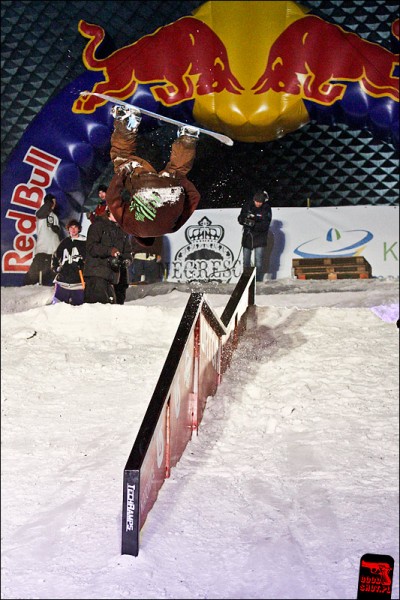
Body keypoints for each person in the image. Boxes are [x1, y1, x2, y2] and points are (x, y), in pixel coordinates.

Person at [105, 105, 201, 248]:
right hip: (146, 191)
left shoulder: (171, 229)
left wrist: (181, 180)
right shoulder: (130, 228)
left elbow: (194, 198)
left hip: (172, 192)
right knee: (121, 158)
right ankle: (127, 121)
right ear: (137, 237)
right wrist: (121, 174)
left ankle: (188, 139)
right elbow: (113, 200)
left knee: (177, 170)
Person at [83, 207, 132, 304]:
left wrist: (127, 260)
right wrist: (110, 251)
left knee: (112, 308)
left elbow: (127, 251)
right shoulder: (98, 226)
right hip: (96, 274)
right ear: (109, 212)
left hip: (114, 277)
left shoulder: (122, 231)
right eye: (116, 212)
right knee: (98, 309)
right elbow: (91, 247)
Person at [24, 193, 62, 285]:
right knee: (33, 275)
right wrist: (49, 202)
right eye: (53, 202)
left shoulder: (55, 216)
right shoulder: (42, 213)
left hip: (54, 250)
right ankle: (25, 293)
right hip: (43, 249)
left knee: (55, 276)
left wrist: (57, 229)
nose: (54, 204)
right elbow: (40, 214)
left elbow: (57, 231)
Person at [238, 190, 272, 282]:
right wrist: (245, 221)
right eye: (256, 201)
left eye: (260, 202)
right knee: (246, 261)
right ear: (253, 200)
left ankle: (258, 282)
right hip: (247, 237)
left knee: (259, 262)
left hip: (260, 238)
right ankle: (246, 282)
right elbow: (240, 218)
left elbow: (265, 225)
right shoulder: (247, 205)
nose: (258, 204)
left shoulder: (266, 208)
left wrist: (253, 223)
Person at [51, 219, 86, 305]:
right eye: (71, 227)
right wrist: (56, 268)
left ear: (79, 229)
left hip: (78, 283)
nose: (73, 230)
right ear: (68, 229)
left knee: (78, 308)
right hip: (62, 282)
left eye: (75, 227)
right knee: (57, 307)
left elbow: (89, 259)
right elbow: (55, 256)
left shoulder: (85, 242)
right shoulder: (65, 242)